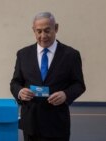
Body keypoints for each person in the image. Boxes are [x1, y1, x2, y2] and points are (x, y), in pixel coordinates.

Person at [10, 12, 86, 141]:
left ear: (56, 28)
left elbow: (79, 85)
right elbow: (15, 83)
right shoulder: (23, 54)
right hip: (31, 123)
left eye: (47, 30)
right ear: (33, 31)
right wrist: (20, 91)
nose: (43, 36)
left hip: (57, 124)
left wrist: (66, 94)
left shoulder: (70, 55)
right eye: (38, 31)